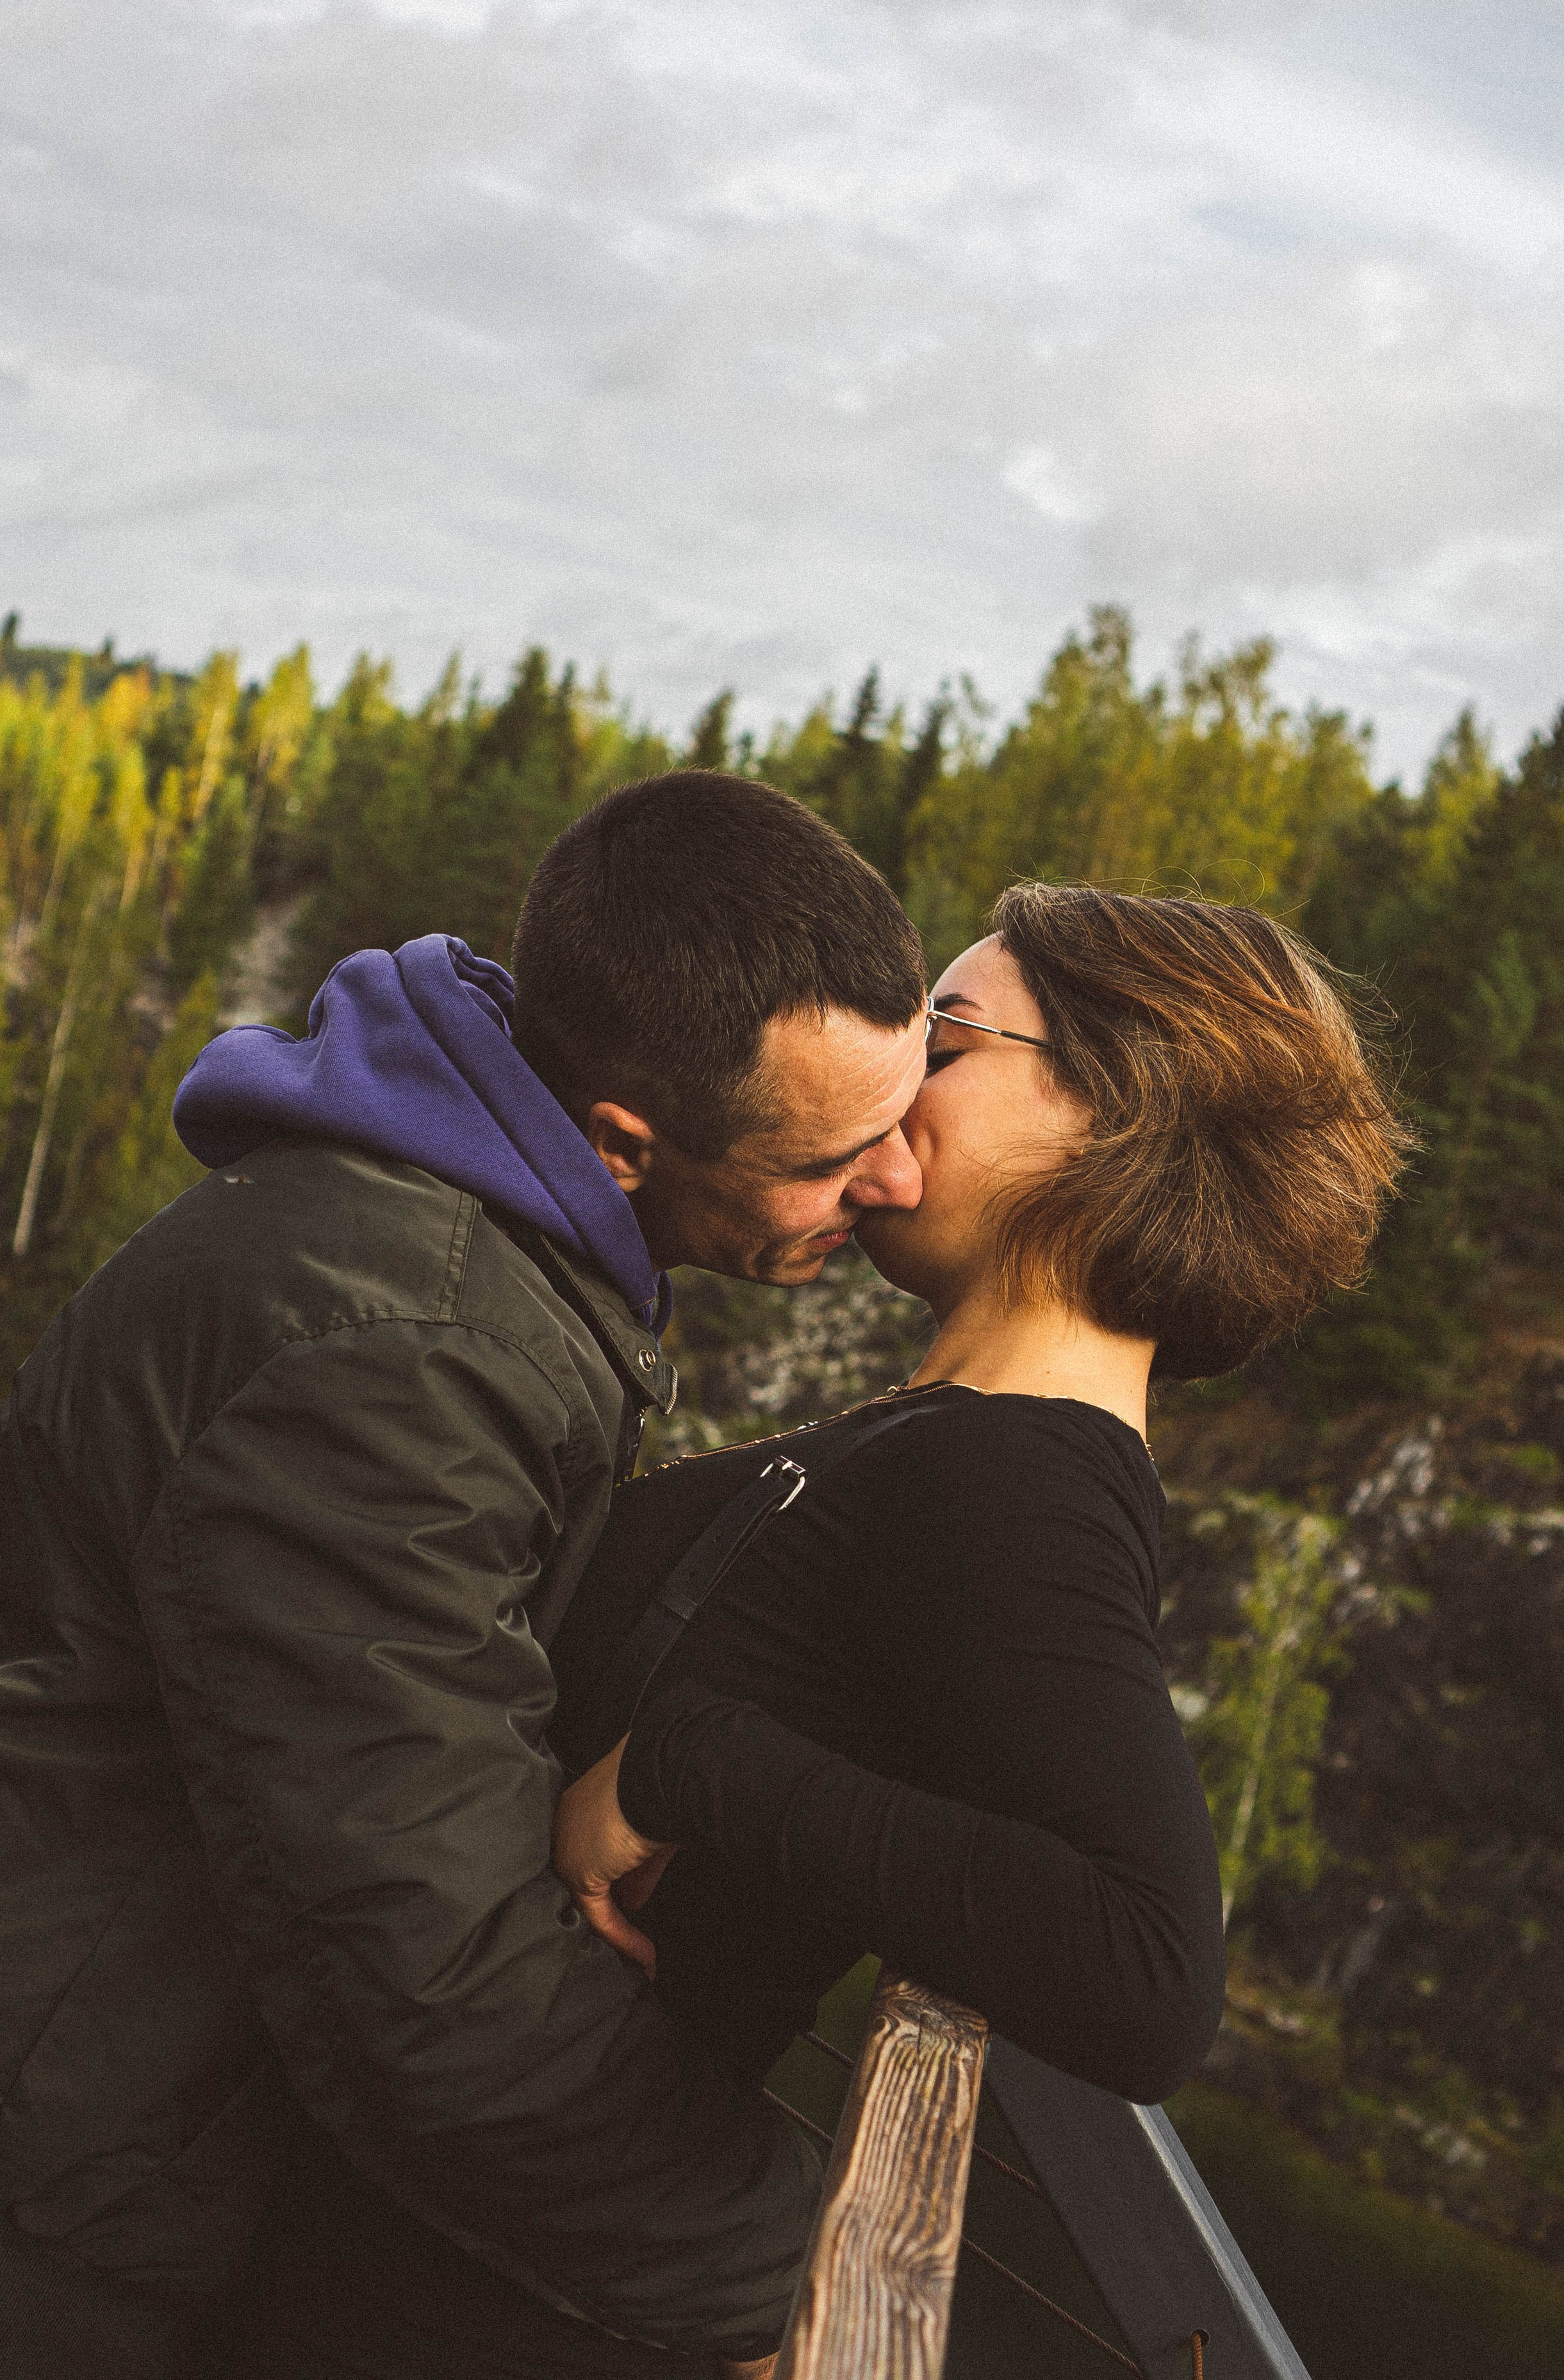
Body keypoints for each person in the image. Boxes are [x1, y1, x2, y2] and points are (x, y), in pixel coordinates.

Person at [0, 771, 929, 2380]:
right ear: (621, 1143)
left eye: (910, 1112)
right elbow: (422, 1959)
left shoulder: (423, 1246)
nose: (895, 1183)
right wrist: (785, 2269)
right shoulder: (397, 1351)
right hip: (14, 2192)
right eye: (836, 1154)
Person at [551, 885, 1412, 2208]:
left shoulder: (1016, 1476)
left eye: (941, 1046)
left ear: (1115, 1114)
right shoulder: (961, 1446)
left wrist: (688, 1764)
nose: (888, 1079)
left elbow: (1144, 1977)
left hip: (509, 2246)